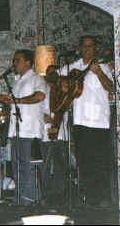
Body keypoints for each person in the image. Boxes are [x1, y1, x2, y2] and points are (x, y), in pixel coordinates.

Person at [60, 35, 114, 208]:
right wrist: (62, 86)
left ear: (95, 48)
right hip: (80, 119)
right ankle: (87, 197)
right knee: (83, 159)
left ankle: (101, 197)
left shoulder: (103, 66)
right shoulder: (72, 67)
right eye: (84, 46)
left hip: (99, 121)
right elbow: (56, 80)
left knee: (99, 160)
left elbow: (111, 87)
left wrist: (98, 73)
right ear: (80, 48)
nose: (87, 49)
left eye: (90, 46)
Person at [0, 49, 47, 206]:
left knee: (29, 165)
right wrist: (5, 99)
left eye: (17, 60)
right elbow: (15, 102)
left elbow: (40, 96)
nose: (14, 63)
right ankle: (20, 197)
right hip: (17, 129)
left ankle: (31, 199)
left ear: (28, 63)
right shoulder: (17, 80)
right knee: (17, 164)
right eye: (14, 60)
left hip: (30, 129)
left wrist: (18, 100)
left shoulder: (36, 78)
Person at [41, 64, 69, 203]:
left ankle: (60, 192)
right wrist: (43, 116)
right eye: (49, 73)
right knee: (45, 161)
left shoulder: (62, 89)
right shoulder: (42, 89)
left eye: (54, 73)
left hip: (60, 131)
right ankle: (44, 191)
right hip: (46, 132)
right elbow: (38, 107)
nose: (51, 75)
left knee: (60, 162)